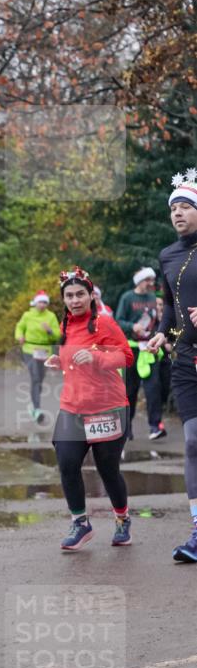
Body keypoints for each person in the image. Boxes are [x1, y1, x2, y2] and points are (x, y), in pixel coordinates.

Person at [46, 266, 134, 551]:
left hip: (107, 407)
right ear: (63, 299)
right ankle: (80, 523)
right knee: (67, 463)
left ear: (91, 295)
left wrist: (97, 357)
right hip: (73, 407)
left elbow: (126, 356)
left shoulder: (104, 323)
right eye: (69, 295)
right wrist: (60, 361)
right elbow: (75, 357)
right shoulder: (65, 325)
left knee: (107, 469)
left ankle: (122, 519)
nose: (75, 300)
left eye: (80, 294)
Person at [148, 168, 197, 563]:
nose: (177, 213)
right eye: (173, 208)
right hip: (184, 360)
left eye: (185, 206)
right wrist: (162, 332)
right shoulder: (167, 255)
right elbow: (169, 305)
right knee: (193, 443)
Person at [115, 266, 166, 441]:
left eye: (152, 280)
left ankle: (155, 426)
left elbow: (157, 321)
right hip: (132, 349)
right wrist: (132, 326)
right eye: (148, 280)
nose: (151, 283)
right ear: (139, 281)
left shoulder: (152, 298)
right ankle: (127, 428)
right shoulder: (127, 297)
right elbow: (118, 321)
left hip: (149, 350)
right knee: (130, 390)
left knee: (153, 389)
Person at [14, 290, 61, 422]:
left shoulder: (51, 316)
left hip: (45, 351)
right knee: (35, 377)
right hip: (29, 350)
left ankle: (33, 404)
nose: (42, 305)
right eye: (40, 302)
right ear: (35, 303)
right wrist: (20, 336)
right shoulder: (28, 315)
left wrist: (50, 331)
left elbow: (57, 335)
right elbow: (19, 327)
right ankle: (37, 408)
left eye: (45, 303)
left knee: (39, 379)